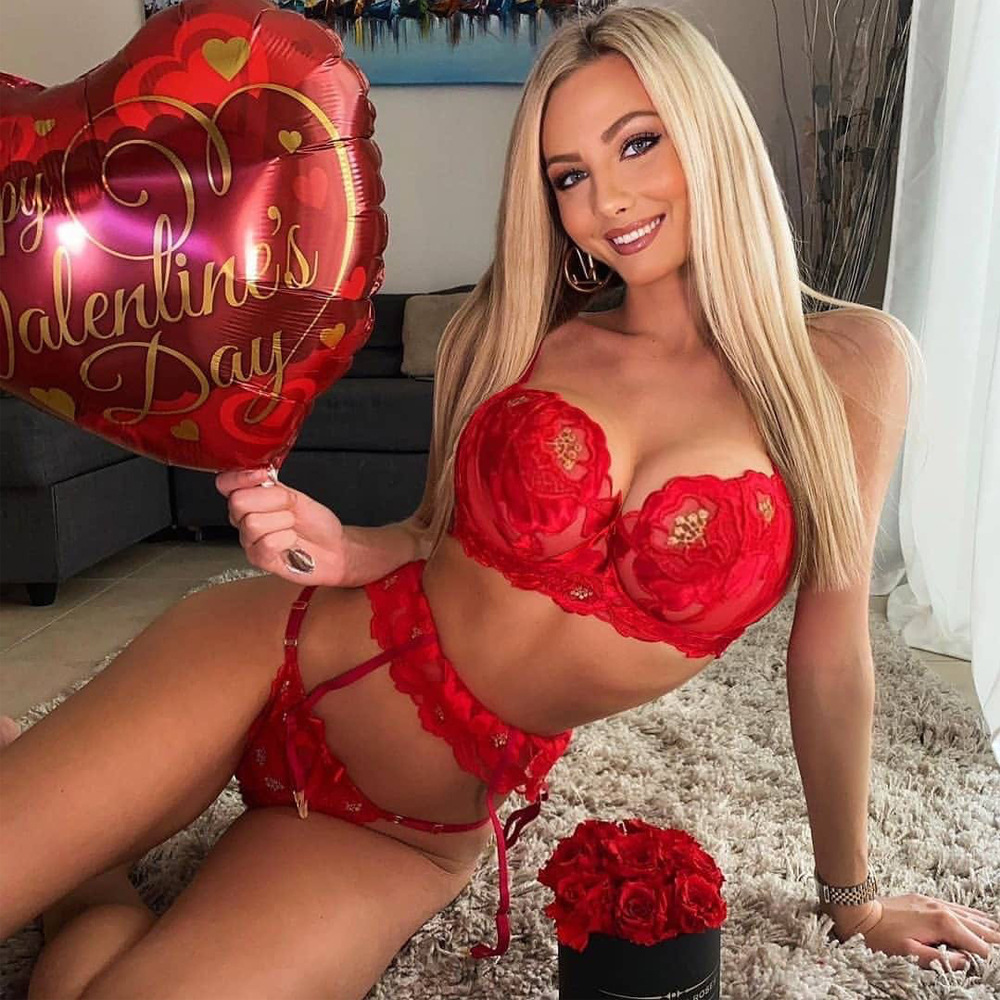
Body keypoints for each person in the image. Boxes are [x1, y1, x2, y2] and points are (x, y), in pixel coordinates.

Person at [2, 4, 997, 996]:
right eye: (569, 175)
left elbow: (830, 652)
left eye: (637, 143)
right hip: (275, 652)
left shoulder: (849, 366)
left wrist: (852, 898)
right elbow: (432, 538)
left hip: (405, 824)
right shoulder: (520, 333)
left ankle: (88, 878)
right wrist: (343, 547)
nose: (607, 200)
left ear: (710, 130)